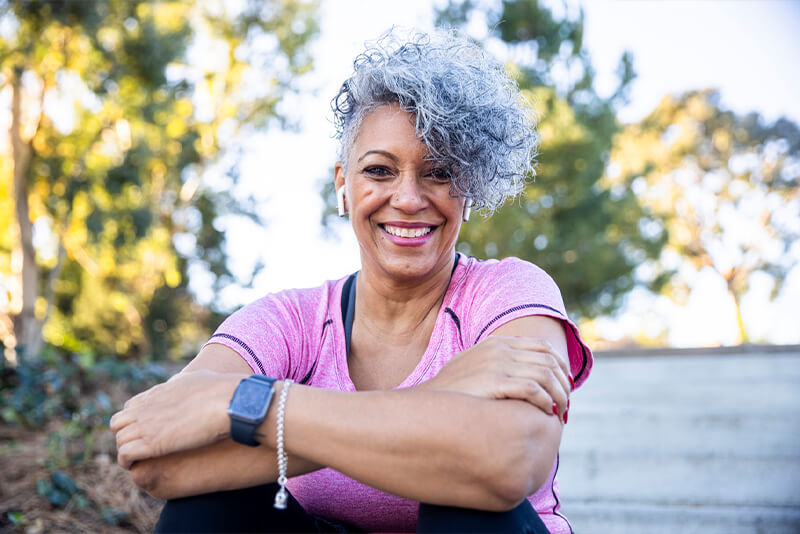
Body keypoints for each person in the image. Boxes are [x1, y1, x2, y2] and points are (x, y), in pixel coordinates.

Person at [110, 28, 592, 534]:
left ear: (468, 189)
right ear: (344, 184)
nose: (407, 198)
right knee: (206, 511)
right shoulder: (290, 321)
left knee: (466, 498)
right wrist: (441, 397)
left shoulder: (509, 294)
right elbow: (155, 460)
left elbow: (509, 462)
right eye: (380, 171)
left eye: (439, 172)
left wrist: (257, 406)